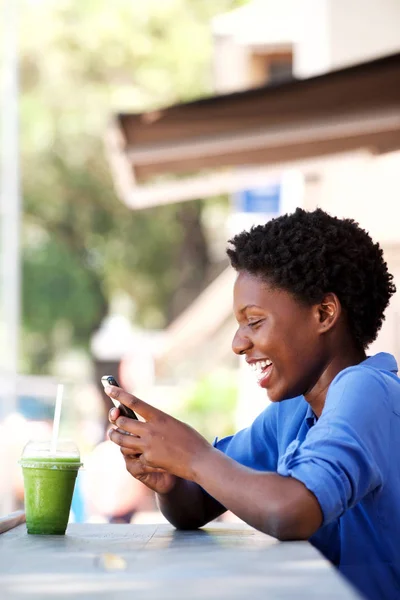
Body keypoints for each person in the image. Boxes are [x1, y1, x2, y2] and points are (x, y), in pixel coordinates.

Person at [106, 208, 399, 600]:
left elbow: (290, 511)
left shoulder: (369, 391)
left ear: (324, 313)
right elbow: (196, 505)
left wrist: (194, 456)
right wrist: (169, 477)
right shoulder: (293, 412)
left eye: (255, 322)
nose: (238, 343)